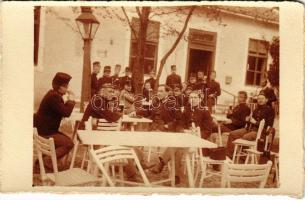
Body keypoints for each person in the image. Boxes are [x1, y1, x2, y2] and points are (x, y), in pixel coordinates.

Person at [79, 83, 153, 181]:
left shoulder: (103, 100)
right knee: (124, 144)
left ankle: (138, 167)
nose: (112, 94)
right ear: (102, 91)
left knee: (125, 141)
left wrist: (115, 112)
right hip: (90, 137)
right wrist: (119, 115)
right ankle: (134, 171)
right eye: (110, 91)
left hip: (99, 134)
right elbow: (110, 117)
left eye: (113, 92)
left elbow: (110, 115)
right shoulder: (97, 100)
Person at [34, 72, 75, 170]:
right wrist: (71, 100)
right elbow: (66, 112)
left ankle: (40, 162)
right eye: (66, 86)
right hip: (46, 133)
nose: (67, 88)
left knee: (66, 140)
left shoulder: (53, 94)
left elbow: (61, 110)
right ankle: (47, 161)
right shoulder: (54, 97)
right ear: (60, 87)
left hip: (45, 130)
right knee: (69, 144)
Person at [226, 93, 275, 158]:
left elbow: (269, 125)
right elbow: (250, 121)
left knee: (245, 137)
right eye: (259, 99)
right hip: (249, 129)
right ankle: (229, 156)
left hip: (259, 132)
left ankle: (243, 157)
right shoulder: (256, 109)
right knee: (232, 134)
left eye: (262, 99)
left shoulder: (270, 110)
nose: (260, 100)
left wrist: (255, 122)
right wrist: (248, 120)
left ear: (266, 100)